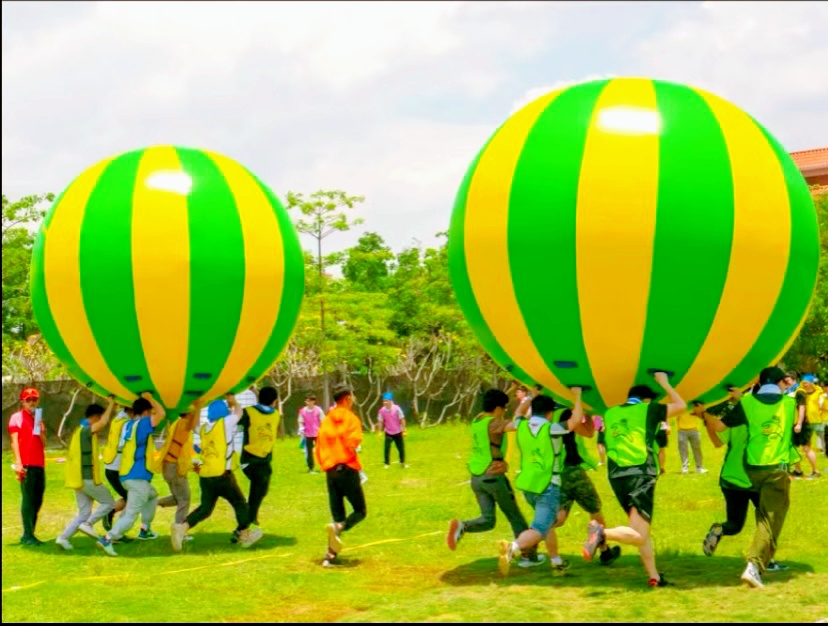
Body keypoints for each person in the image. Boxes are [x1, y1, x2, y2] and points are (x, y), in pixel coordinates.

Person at [582, 371, 686, 588]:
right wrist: (664, 383)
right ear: (646, 399)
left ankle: (654, 576)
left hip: (617, 476)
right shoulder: (649, 408)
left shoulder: (610, 413)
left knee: (641, 529)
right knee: (638, 534)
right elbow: (681, 405)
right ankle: (602, 533)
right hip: (641, 473)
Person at [703, 366, 799, 588]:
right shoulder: (790, 403)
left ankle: (762, 560)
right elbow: (782, 400)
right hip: (776, 468)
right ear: (781, 382)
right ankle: (754, 566)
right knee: (769, 520)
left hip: (752, 469)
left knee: (756, 518)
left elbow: (718, 426)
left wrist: (709, 411)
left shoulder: (747, 403)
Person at [446, 389, 542, 569]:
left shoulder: (478, 420)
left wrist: (514, 390)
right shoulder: (493, 424)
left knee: (488, 520)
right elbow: (516, 425)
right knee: (515, 517)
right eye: (504, 408)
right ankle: (529, 557)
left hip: (476, 477)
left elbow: (493, 400)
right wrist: (531, 399)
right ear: (498, 408)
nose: (504, 411)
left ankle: (462, 526)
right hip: (493, 477)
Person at [496, 389, 585, 576]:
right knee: (541, 528)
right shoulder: (551, 428)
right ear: (550, 413)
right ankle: (512, 547)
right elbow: (576, 420)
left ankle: (556, 561)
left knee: (549, 522)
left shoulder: (521, 425)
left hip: (529, 485)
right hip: (547, 485)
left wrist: (530, 396)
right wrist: (578, 395)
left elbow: (518, 413)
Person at [171, 395, 263, 551]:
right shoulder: (225, 423)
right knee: (240, 504)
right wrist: (234, 402)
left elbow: (194, 426)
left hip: (206, 475)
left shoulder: (206, 429)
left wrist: (198, 407)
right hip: (222, 475)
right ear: (223, 413)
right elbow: (239, 413)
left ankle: (182, 528)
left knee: (206, 508)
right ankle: (244, 535)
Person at [547, 405, 621, 568]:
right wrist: (587, 413)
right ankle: (604, 551)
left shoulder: (548, 414)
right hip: (572, 471)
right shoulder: (565, 414)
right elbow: (588, 432)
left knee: (559, 517)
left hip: (557, 471)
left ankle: (527, 540)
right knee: (595, 508)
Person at [96, 392, 165, 555]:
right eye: (150, 411)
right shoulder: (142, 425)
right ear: (146, 412)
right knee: (130, 514)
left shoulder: (127, 424)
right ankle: (107, 538)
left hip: (128, 475)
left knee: (152, 495)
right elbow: (161, 413)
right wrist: (150, 398)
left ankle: (145, 529)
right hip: (137, 478)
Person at [57, 397, 118, 550]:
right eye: (100, 417)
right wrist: (112, 404)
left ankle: (63, 538)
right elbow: (102, 423)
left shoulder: (79, 429)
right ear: (96, 416)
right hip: (87, 477)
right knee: (109, 503)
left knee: (84, 512)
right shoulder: (86, 430)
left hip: (78, 479)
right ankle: (88, 524)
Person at [316, 385, 367, 567]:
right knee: (360, 511)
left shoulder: (327, 420)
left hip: (330, 472)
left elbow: (319, 446)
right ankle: (339, 528)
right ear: (347, 398)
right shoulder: (351, 419)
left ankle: (329, 557)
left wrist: (326, 465)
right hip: (347, 468)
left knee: (337, 516)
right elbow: (353, 443)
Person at [156, 401, 202, 538]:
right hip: (174, 467)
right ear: (188, 413)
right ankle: (179, 531)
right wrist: (199, 406)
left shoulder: (177, 422)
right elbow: (193, 425)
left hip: (169, 466)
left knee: (178, 498)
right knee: (184, 499)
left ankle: (155, 502)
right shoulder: (183, 424)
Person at [8, 388, 47, 546]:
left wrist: (42, 430)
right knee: (28, 499)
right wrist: (18, 463)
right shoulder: (16, 418)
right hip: (26, 464)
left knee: (37, 500)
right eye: (28, 399)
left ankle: (31, 533)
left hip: (39, 464)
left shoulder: (38, 419)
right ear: (22, 402)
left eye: (34, 399)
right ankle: (27, 535)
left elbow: (44, 443)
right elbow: (14, 441)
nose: (32, 402)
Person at [238, 387, 281, 530]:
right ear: (275, 401)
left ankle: (249, 516)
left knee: (263, 488)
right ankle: (247, 521)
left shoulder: (270, 414)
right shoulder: (272, 414)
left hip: (264, 461)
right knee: (258, 487)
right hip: (250, 460)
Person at [101, 404, 133, 534]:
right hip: (116, 468)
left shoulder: (117, 419)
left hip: (111, 465)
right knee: (132, 497)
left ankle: (115, 525)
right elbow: (123, 444)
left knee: (131, 496)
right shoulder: (126, 423)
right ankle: (111, 514)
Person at [792, 374, 824, 477]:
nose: (805, 384)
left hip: (817, 421)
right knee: (807, 446)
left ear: (811, 383)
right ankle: (811, 470)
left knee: (820, 444)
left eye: (806, 382)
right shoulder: (801, 392)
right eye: (803, 382)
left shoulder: (819, 391)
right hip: (807, 421)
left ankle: (815, 471)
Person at [674, 401, 708, 474]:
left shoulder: (695, 407)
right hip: (682, 431)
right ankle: (685, 467)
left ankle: (699, 467)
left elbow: (701, 415)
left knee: (697, 449)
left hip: (694, 430)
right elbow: (676, 417)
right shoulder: (680, 407)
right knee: (683, 450)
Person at [378, 392, 407, 468]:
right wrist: (379, 432)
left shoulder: (397, 409)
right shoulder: (382, 411)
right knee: (386, 448)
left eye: (386, 400)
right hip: (388, 432)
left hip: (398, 432)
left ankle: (402, 463)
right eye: (384, 401)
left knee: (401, 448)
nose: (385, 402)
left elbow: (402, 419)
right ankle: (387, 464)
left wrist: (404, 430)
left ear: (391, 401)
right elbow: (380, 422)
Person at [298, 394, 325, 473]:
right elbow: (300, 421)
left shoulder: (318, 410)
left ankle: (324, 466)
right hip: (307, 434)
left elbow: (323, 420)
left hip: (317, 434)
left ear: (313, 401)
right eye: (306, 400)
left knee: (320, 451)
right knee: (309, 452)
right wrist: (301, 428)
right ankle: (311, 468)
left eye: (309, 400)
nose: (307, 402)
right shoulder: (302, 411)